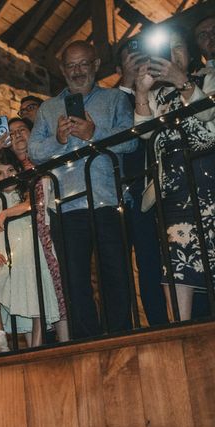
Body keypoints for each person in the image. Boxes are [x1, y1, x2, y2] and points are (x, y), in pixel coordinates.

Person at [28, 40, 138, 338]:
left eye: (83, 64)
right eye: (71, 66)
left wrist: (95, 134)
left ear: (96, 64)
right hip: (66, 206)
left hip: (107, 201)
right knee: (74, 280)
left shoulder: (115, 99)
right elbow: (34, 151)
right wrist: (59, 142)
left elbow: (131, 140)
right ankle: (86, 341)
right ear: (62, 70)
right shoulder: (48, 109)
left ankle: (121, 337)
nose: (77, 71)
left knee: (114, 273)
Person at [134, 25, 215, 321]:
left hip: (209, 179)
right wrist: (142, 92)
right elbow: (144, 134)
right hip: (173, 187)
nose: (170, 54)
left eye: (177, 47)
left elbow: (208, 114)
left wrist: (182, 81)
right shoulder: (160, 96)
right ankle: (179, 328)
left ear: (189, 52)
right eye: (164, 49)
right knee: (177, 257)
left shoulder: (206, 78)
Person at [0, 150, 60, 353]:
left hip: (25, 247)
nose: (6, 177)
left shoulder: (24, 190)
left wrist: (7, 213)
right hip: (2, 251)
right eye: (0, 173)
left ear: (17, 170)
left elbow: (31, 205)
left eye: (10, 170)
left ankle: (36, 346)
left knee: (33, 293)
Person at [116, 44, 168, 326]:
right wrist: (126, 82)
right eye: (129, 58)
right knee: (128, 264)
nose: (137, 62)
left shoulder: (155, 94)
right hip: (121, 192)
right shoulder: (112, 98)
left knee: (155, 260)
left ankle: (165, 321)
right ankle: (135, 326)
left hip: (151, 185)